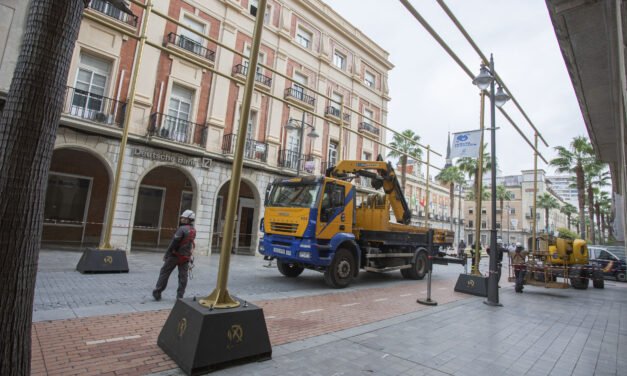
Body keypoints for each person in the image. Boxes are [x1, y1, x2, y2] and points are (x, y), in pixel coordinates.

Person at [153, 210, 197, 301]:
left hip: (174, 256)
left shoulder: (181, 229)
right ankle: (180, 296)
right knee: (183, 277)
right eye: (182, 217)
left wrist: (167, 254)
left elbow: (174, 243)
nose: (181, 218)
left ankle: (157, 292)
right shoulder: (193, 230)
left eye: (184, 218)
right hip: (185, 257)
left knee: (164, 273)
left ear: (189, 219)